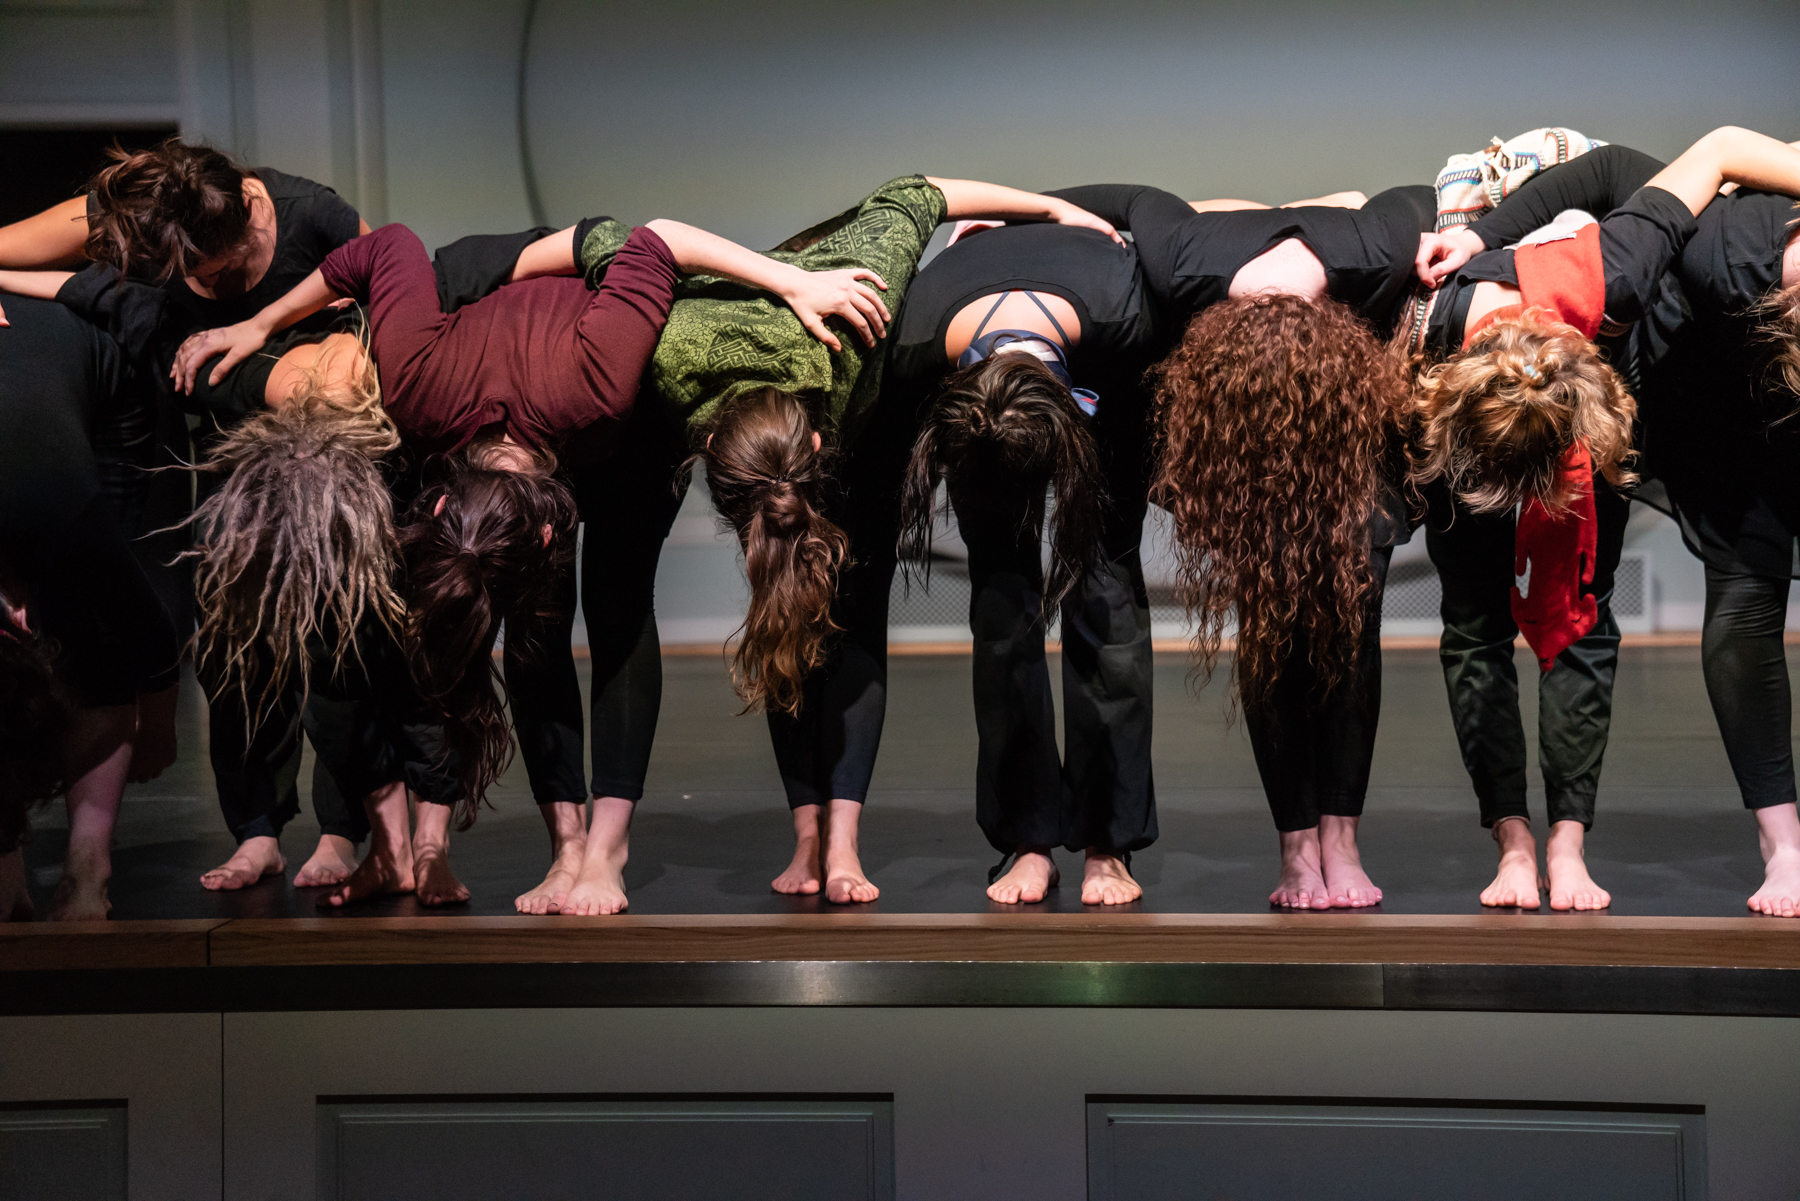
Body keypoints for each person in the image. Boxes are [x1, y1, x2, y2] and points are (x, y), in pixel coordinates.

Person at [471, 176, 1121, 913]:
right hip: (766, 386)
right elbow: (604, 241)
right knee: (785, 606)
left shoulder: (852, 322)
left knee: (853, 610)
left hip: (867, 410)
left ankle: (841, 841)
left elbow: (921, 193)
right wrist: (494, 276)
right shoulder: (664, 351)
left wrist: (1047, 208)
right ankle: (806, 834)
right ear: (705, 450)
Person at [1404, 127, 1800, 911]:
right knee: (1477, 620)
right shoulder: (1434, 354)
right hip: (1491, 392)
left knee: (1580, 616)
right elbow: (1640, 162)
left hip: (1608, 390)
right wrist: (1477, 235)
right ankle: (1514, 843)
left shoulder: (1615, 279)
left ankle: (1566, 846)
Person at [1037, 181, 1436, 908]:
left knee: (1352, 623)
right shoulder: (1185, 256)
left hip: (1345, 431)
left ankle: (1341, 840)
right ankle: (1297, 850)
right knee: (1270, 623)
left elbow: (1419, 195)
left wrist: (1450, 239)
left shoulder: (1371, 247)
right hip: (1238, 436)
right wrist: (1022, 208)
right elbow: (1126, 199)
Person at [0, 137, 380, 895]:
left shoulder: (310, 213)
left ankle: (342, 830)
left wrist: (263, 323)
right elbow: (86, 287)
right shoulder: (149, 214)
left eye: (207, 267)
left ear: (243, 221)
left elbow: (388, 276)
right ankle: (257, 831)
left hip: (315, 433)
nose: (198, 282)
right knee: (232, 647)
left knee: (334, 643)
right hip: (219, 436)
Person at [889, 213, 1170, 905]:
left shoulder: (1125, 319)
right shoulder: (917, 342)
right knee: (1002, 608)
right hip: (977, 386)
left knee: (1105, 597)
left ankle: (1106, 843)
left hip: (1101, 372)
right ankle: (1028, 840)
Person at [0, 292, 182, 920]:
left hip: (109, 394)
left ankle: (87, 872)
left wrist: (158, 735)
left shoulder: (63, 508)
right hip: (28, 403)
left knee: (92, 636)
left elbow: (150, 635)